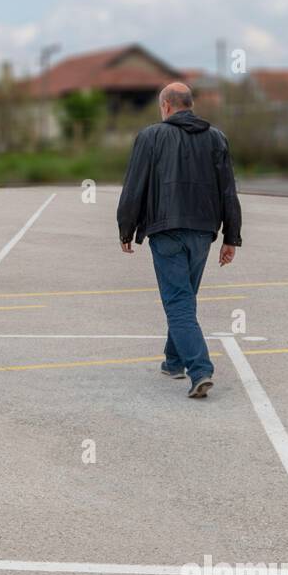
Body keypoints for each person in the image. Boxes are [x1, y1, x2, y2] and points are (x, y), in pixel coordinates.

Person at [116, 82, 242, 399]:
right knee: (184, 298)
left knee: (178, 303)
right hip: (203, 232)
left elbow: (135, 184)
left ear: (167, 106)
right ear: (189, 104)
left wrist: (125, 227)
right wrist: (231, 237)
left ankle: (199, 370)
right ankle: (173, 361)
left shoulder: (150, 137)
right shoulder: (216, 138)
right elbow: (229, 189)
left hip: (165, 230)